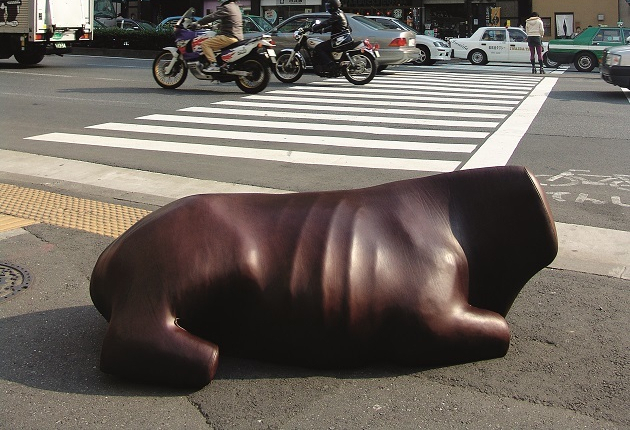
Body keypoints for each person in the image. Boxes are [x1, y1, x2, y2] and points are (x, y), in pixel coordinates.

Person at [190, 0, 243, 73]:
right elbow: (232, 22)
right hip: (238, 36)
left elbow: (212, 16)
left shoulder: (227, 7)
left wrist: (197, 22)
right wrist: (217, 26)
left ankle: (214, 65)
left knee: (205, 44)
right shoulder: (236, 7)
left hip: (229, 37)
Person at [311, 0, 352, 73]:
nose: (328, 8)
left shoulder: (336, 15)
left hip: (339, 39)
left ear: (333, 7)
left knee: (318, 48)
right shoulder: (341, 13)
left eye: (329, 6)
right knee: (325, 47)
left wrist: (314, 28)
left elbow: (326, 23)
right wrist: (322, 30)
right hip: (343, 37)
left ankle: (330, 64)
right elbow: (334, 27)